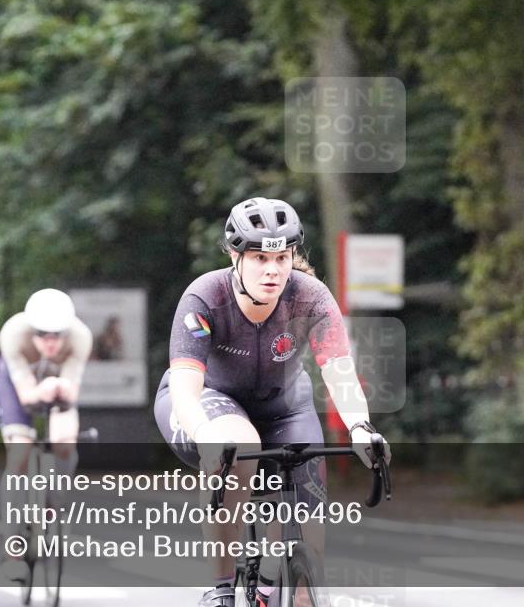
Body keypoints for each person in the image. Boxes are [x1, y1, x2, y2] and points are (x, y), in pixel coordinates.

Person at [154, 197, 391, 607]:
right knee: (238, 446)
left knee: (309, 542)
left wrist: (360, 427)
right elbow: (186, 389)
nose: (272, 269)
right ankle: (222, 587)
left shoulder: (310, 296)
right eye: (260, 257)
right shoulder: (205, 296)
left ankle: (271, 586)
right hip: (210, 401)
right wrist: (206, 436)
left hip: (283, 408)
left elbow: (338, 370)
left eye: (282, 257)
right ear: (235, 255)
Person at [0, 289, 92, 580]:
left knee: (64, 442)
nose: (50, 343)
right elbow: (26, 396)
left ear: (67, 331)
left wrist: (59, 389)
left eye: (57, 335)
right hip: (19, 385)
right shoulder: (13, 334)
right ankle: (13, 549)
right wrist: (44, 389)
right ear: (30, 330)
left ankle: (54, 506)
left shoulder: (80, 336)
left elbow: (71, 389)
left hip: (59, 385)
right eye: (42, 335)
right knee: (20, 453)